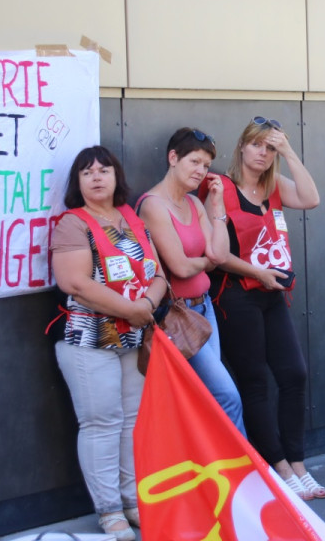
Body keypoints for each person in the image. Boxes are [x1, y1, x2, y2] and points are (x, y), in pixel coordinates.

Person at [50, 146, 169, 541]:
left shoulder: (131, 218)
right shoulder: (72, 224)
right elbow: (75, 283)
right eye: (87, 172)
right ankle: (109, 512)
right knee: (101, 424)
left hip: (133, 338)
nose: (97, 177)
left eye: (104, 170)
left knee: (130, 422)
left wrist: (147, 305)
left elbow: (158, 274)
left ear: (117, 176)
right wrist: (133, 309)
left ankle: (131, 500)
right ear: (77, 182)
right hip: (87, 341)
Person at [205, 116, 324, 500]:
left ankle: (299, 464)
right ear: (241, 146)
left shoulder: (273, 187)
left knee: (294, 375)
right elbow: (218, 254)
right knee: (254, 381)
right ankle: (280, 468)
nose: (263, 153)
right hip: (236, 294)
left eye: (270, 147)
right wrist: (257, 271)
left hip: (272, 294)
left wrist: (289, 152)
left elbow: (311, 199)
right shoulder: (220, 188)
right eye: (257, 145)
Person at [137, 127, 245, 434]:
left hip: (204, 309)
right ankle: (243, 476)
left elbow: (219, 256)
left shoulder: (195, 204)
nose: (201, 171)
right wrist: (204, 261)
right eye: (194, 162)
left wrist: (218, 209)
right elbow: (181, 268)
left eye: (206, 166)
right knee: (225, 395)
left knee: (210, 399)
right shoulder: (152, 205)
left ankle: (222, 476)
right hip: (177, 316)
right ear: (173, 158)